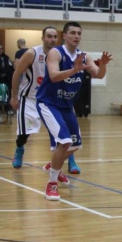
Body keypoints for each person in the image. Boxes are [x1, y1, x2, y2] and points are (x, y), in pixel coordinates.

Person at [36, 22, 111, 201]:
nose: (76, 36)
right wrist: (74, 70)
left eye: (79, 33)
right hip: (49, 103)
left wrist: (103, 65)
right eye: (73, 33)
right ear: (64, 36)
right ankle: (51, 185)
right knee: (64, 141)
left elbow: (99, 74)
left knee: (75, 145)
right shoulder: (56, 53)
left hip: (67, 106)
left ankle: (53, 165)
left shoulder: (84, 57)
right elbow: (54, 76)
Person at [10, 27, 81, 174]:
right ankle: (20, 148)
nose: (52, 39)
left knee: (65, 133)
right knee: (24, 133)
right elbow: (17, 74)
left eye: (55, 37)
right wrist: (14, 96)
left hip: (53, 100)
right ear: (42, 38)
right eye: (49, 36)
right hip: (30, 98)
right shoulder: (32, 53)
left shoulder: (62, 54)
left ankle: (70, 160)